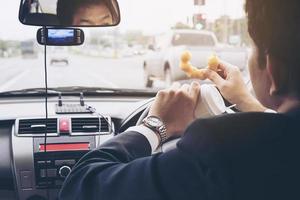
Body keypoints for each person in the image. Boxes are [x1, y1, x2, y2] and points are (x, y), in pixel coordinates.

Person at [59, 0, 300, 199]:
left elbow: (80, 188)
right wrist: (245, 102)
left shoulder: (220, 148)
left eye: (252, 47)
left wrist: (155, 125)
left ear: (274, 70)